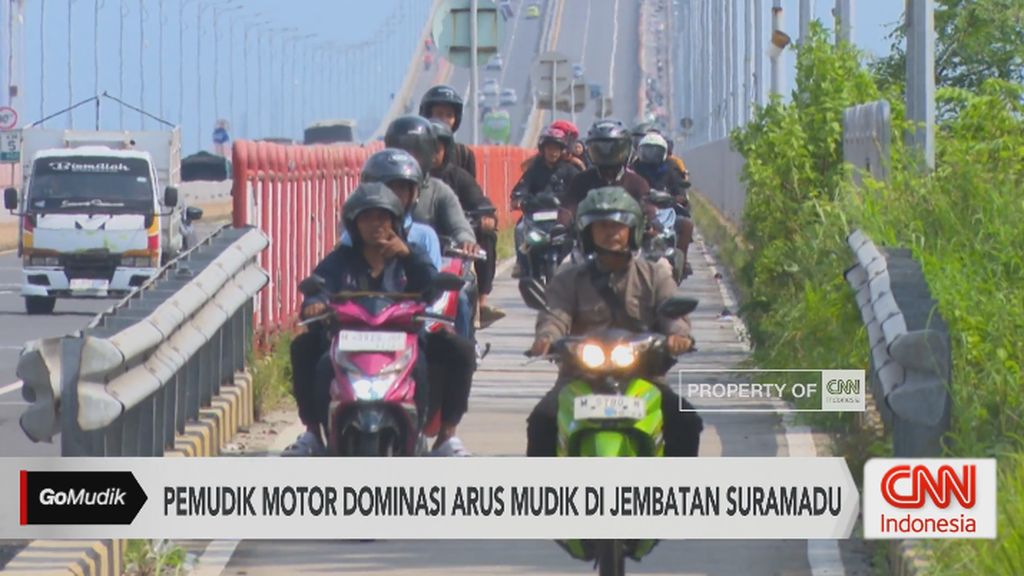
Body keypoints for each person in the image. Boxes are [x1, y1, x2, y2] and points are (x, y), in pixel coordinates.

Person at [524, 186, 703, 457]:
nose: (611, 232)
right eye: (602, 226)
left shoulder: (655, 275)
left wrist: (678, 336)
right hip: (579, 378)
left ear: (634, 229)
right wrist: (547, 338)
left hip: (645, 377)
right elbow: (555, 315)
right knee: (541, 422)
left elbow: (673, 313)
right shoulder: (568, 278)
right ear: (587, 232)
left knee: (686, 421)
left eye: (619, 225)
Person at [284, 183, 437, 456]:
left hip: (401, 344)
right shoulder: (340, 260)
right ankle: (313, 432)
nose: (375, 225)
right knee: (310, 355)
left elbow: (432, 287)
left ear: (395, 221)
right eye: (367, 218)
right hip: (349, 343)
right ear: (354, 225)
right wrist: (314, 304)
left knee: (432, 362)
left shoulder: (410, 256)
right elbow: (318, 286)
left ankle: (430, 434)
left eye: (382, 217)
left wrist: (409, 257)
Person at [428, 120, 505, 327]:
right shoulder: (405, 180)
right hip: (408, 261)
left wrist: (468, 237)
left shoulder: (448, 184)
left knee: (460, 299)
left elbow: (464, 214)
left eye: (437, 148)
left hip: (448, 251)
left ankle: (466, 351)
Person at [510, 125, 582, 278]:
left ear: (562, 150)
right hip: (536, 217)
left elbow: (581, 190)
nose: (553, 152)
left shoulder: (570, 170)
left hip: (562, 217)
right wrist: (519, 198)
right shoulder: (534, 169)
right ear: (542, 149)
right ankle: (521, 263)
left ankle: (582, 265)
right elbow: (521, 188)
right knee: (519, 229)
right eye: (549, 148)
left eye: (557, 148)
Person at [561, 119, 654, 222]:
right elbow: (568, 208)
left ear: (627, 149)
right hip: (587, 236)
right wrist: (561, 226)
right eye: (599, 149)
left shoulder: (637, 183)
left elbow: (648, 210)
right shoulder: (581, 181)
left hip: (629, 237)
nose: (607, 155)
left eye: (615, 149)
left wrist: (652, 225)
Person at [631, 132, 694, 278]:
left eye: (656, 151)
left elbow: (679, 189)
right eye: (648, 151)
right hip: (640, 210)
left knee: (686, 224)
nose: (651, 155)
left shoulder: (671, 167)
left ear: (664, 152)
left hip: (666, 210)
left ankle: (682, 263)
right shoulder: (634, 167)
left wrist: (678, 198)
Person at [419, 85, 477, 178]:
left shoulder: (463, 155)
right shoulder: (415, 151)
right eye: (439, 114)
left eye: (449, 115)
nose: (444, 120)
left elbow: (470, 190)